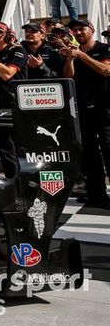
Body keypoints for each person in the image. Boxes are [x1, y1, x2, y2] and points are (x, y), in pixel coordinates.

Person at [61, 19, 110, 208]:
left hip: (104, 107)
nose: (78, 32)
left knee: (108, 149)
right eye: (75, 30)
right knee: (89, 153)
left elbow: (105, 70)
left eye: (81, 29)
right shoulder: (75, 53)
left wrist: (82, 55)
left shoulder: (104, 48)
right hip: (82, 108)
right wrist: (71, 58)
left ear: (92, 30)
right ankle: (97, 194)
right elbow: (67, 77)